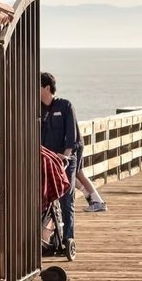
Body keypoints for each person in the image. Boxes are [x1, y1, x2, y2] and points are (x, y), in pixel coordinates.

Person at [39, 72, 82, 250]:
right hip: (45, 161)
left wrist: (66, 154)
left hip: (64, 160)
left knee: (66, 197)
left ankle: (68, 238)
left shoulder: (64, 106)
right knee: (44, 197)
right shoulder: (37, 108)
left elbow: (72, 135)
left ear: (47, 87)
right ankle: (46, 237)